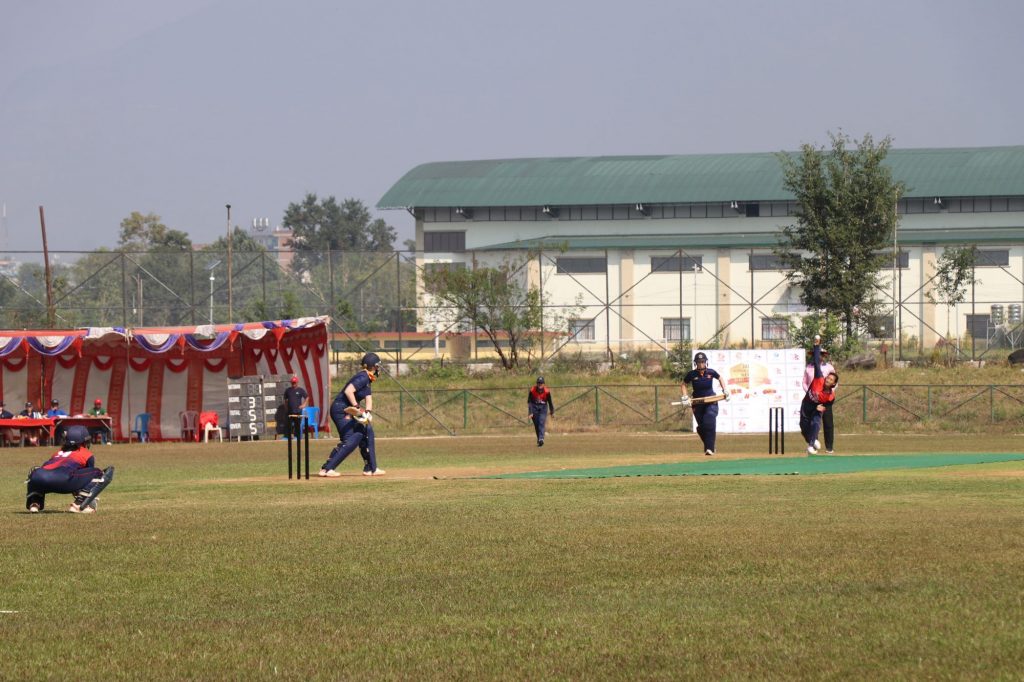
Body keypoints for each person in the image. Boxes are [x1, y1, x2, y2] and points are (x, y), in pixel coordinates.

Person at [319, 352, 385, 477]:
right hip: (341, 409)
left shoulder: (368, 379)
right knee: (353, 438)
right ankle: (327, 469)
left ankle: (371, 468)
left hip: (347, 409)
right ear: (373, 366)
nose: (378, 369)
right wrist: (357, 407)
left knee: (367, 430)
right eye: (377, 366)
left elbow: (368, 399)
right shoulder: (363, 377)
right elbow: (349, 391)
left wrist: (368, 413)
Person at [25, 425, 114, 513]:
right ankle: (78, 504)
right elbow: (86, 480)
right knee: (98, 473)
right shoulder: (87, 453)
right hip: (62, 478)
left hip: (39, 477)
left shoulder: (58, 452)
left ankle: (34, 503)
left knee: (35, 471)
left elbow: (45, 466)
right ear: (84, 440)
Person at [681, 351, 729, 456]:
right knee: (702, 428)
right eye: (699, 362)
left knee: (709, 419)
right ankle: (710, 446)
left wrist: (724, 389)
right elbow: (683, 384)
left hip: (711, 401)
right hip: (697, 403)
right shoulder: (692, 374)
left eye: (703, 362)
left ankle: (709, 449)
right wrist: (685, 396)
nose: (701, 364)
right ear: (695, 363)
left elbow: (720, 378)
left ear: (706, 362)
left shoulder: (711, 372)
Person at [800, 336, 839, 455]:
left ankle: (813, 445)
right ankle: (813, 440)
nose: (828, 379)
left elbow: (829, 402)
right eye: (828, 377)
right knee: (803, 426)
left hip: (818, 405)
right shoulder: (819, 378)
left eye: (831, 379)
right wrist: (816, 345)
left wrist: (821, 407)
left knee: (816, 422)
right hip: (807, 404)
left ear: (833, 384)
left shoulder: (829, 396)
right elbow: (816, 362)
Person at [527, 376, 555, 447]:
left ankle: (541, 439)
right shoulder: (532, 390)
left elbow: (550, 402)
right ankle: (539, 439)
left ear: (543, 384)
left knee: (541, 422)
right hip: (534, 407)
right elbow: (529, 402)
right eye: (538, 383)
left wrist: (552, 411)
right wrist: (530, 412)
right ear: (537, 384)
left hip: (543, 408)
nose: (540, 384)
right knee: (537, 425)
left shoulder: (547, 391)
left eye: (541, 383)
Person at [283, 375, 309, 441]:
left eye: (295, 383)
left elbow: (307, 397)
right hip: (290, 411)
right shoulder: (288, 390)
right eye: (292, 383)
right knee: (289, 425)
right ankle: (288, 437)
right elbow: (285, 399)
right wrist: (286, 407)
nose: (293, 384)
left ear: (297, 383)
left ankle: (297, 437)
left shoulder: (300, 390)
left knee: (297, 425)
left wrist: (304, 405)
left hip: (298, 411)